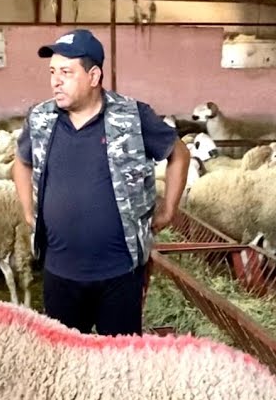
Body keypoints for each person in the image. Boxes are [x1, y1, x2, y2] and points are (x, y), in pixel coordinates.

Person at [12, 28, 191, 337]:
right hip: (59, 271)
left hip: (120, 273)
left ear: (93, 76)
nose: (56, 80)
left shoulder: (133, 116)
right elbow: (21, 162)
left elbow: (179, 154)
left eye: (66, 72)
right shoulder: (40, 118)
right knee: (63, 362)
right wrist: (30, 212)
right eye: (52, 72)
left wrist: (169, 209)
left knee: (120, 365)